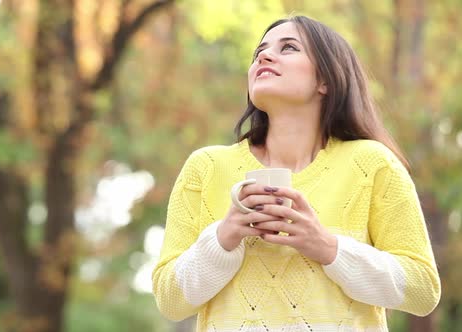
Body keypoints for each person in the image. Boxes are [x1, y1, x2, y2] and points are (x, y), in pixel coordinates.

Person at [152, 15, 440, 332]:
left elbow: (423, 290)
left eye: (288, 47)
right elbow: (170, 301)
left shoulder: (372, 163)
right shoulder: (205, 167)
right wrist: (225, 236)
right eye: (258, 52)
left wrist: (327, 247)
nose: (264, 55)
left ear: (326, 80)